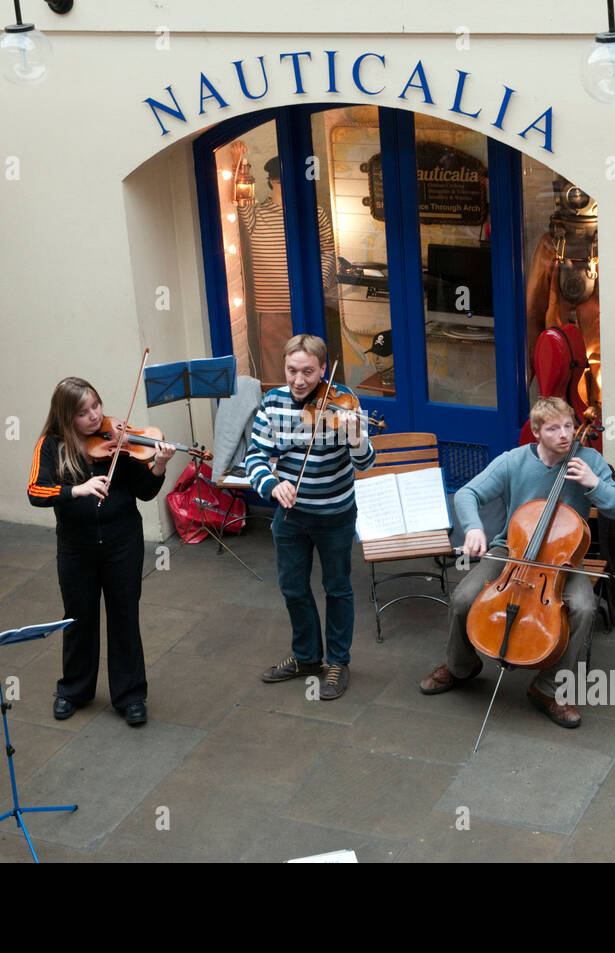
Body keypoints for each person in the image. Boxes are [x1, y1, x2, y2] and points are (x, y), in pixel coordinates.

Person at [418, 397, 615, 728]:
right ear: (535, 432)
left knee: (583, 607)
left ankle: (549, 688)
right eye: (553, 428)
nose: (565, 435)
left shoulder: (588, 460)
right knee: (463, 598)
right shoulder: (513, 461)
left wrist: (595, 484)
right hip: (512, 551)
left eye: (569, 426)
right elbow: (467, 494)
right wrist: (474, 528)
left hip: (562, 560)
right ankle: (460, 667)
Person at [27, 377, 174, 726]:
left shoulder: (118, 440)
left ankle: (131, 695)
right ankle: (74, 690)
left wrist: (159, 466)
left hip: (123, 542)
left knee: (124, 615)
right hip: (76, 548)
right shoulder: (51, 445)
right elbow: (36, 490)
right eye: (83, 412)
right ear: (66, 417)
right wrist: (76, 490)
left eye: (96, 406)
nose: (95, 416)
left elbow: (144, 491)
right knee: (78, 617)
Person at [247, 335, 375, 700]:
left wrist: (356, 438)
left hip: (335, 513)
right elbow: (255, 454)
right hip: (290, 516)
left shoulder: (344, 401)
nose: (299, 380)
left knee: (337, 588)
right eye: (291, 371)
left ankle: (337, 661)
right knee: (293, 588)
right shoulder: (272, 403)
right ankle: (306, 657)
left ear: (323, 369)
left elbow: (365, 463)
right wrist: (272, 485)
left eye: (307, 372)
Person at [231, 142, 337, 383]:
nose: (285, 186)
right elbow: (240, 195)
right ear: (272, 182)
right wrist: (238, 162)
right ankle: (278, 407)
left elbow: (328, 253)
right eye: (280, 181)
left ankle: (312, 407)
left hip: (307, 302)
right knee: (274, 363)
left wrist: (317, 286)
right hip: (272, 305)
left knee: (311, 361)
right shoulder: (257, 214)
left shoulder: (314, 213)